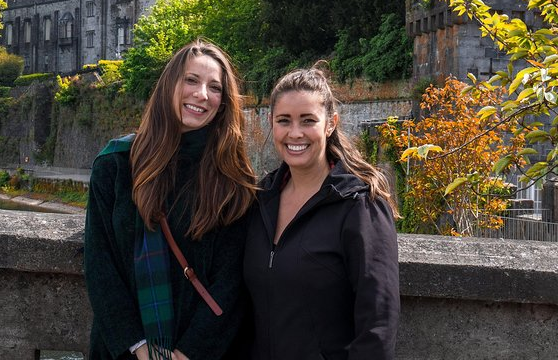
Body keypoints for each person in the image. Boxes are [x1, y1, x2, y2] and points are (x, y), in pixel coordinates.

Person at [85, 39, 256, 360]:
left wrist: (188, 352)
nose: (202, 94)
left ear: (224, 102)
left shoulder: (233, 181)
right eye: (191, 80)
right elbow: (99, 264)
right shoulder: (116, 165)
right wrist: (138, 346)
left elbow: (231, 282)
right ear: (169, 86)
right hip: (122, 351)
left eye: (215, 87)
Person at [243, 63, 400, 360]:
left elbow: (378, 324)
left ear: (330, 124)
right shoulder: (260, 201)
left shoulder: (360, 205)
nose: (295, 133)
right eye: (284, 121)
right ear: (271, 123)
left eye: (308, 120)